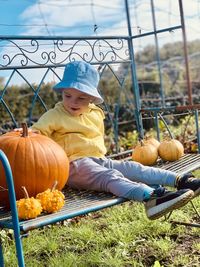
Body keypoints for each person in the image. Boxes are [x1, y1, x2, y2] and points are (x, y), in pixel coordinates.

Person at [30, 61, 200, 220]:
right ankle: (152, 198)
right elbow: (36, 132)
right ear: (62, 93)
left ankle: (181, 180)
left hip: (99, 160)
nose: (73, 102)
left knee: (134, 168)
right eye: (67, 95)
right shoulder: (55, 115)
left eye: (81, 98)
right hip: (74, 166)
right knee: (110, 177)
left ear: (91, 97)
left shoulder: (94, 112)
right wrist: (27, 133)